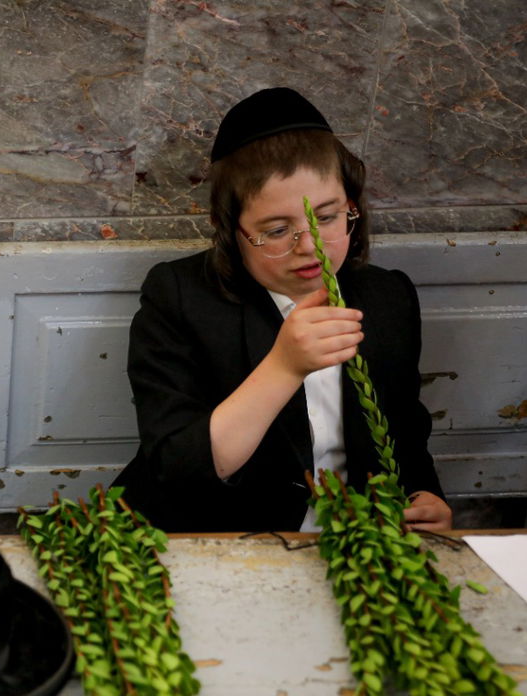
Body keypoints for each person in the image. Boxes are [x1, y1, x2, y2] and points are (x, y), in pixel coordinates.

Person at [114, 87, 451, 533]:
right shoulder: (178, 296)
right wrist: (283, 366)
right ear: (229, 230)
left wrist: (426, 500)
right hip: (215, 537)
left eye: (327, 218)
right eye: (276, 230)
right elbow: (179, 467)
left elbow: (406, 433)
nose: (309, 246)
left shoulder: (388, 296)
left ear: (352, 206)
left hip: (352, 540)